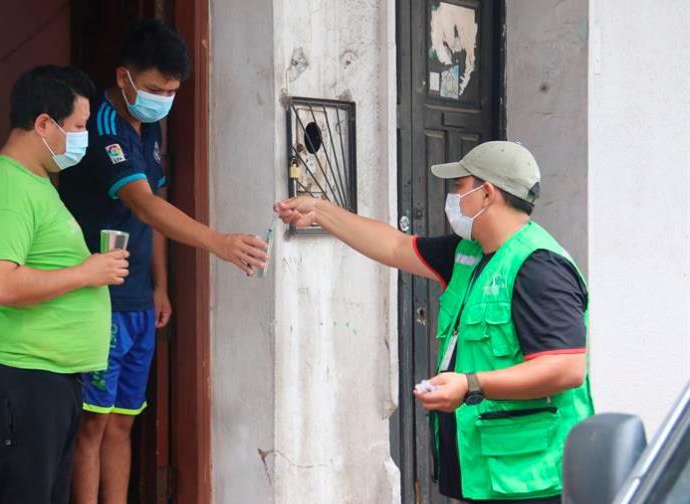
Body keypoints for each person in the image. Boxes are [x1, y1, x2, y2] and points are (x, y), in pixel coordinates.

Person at [275, 141, 593, 503]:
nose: (452, 197)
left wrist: (470, 385)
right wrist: (321, 211)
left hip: (533, 480)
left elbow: (566, 368)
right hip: (489, 473)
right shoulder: (468, 253)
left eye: (459, 186)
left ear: (487, 193)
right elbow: (394, 246)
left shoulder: (539, 267)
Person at [58, 19, 268, 504]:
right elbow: (144, 205)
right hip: (98, 299)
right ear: (124, 77)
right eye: (155, 89)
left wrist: (161, 285)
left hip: (138, 300)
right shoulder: (101, 127)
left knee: (123, 423)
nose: (163, 99)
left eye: (172, 92)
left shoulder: (150, 126)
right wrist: (218, 242)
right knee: (92, 424)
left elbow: (156, 210)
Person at [0, 65, 129, 504]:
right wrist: (87, 273)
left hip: (51, 382)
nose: (85, 138)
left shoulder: (37, 182)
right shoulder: (6, 187)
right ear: (44, 123)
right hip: (24, 381)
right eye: (78, 127)